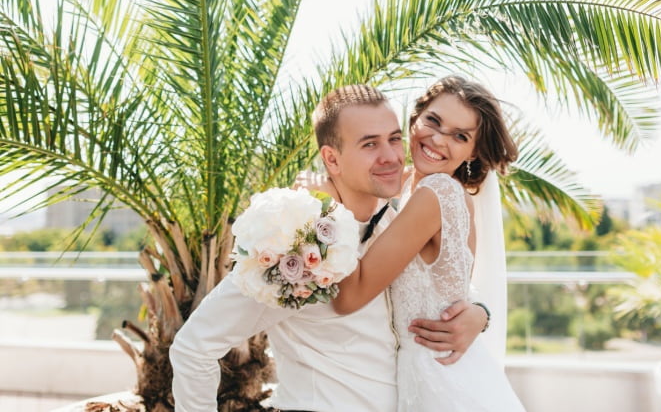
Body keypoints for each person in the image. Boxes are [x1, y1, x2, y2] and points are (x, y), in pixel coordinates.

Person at [169, 84, 490, 411]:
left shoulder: (394, 220)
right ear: (332, 159)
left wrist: (480, 312)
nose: (391, 156)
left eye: (394, 139)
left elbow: (437, 282)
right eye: (369, 144)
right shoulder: (295, 243)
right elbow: (194, 347)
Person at [332, 76, 526, 411]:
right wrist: (480, 313)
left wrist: (327, 210)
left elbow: (349, 296)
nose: (437, 139)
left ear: (473, 152)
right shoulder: (406, 184)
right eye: (433, 121)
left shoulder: (439, 194)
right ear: (415, 117)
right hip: (422, 375)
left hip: (442, 382)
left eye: (460, 136)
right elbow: (458, 288)